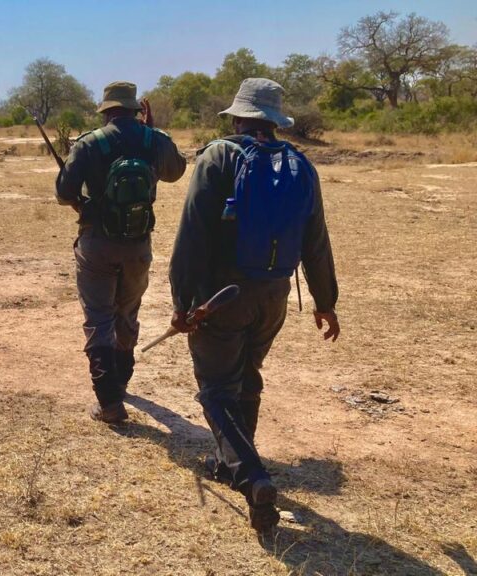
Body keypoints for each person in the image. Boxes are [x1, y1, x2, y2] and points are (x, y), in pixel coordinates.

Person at [168, 78, 340, 532]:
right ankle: (230, 464)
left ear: (238, 117)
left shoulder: (218, 156)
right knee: (247, 378)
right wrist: (326, 301)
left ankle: (253, 477)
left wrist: (183, 302)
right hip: (275, 297)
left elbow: (192, 237)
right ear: (275, 120)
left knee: (216, 391)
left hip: (222, 298)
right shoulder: (300, 164)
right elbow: (316, 241)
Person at [56, 81, 186, 424]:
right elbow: (176, 172)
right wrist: (153, 130)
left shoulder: (89, 143)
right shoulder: (153, 139)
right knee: (127, 313)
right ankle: (121, 382)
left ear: (106, 110)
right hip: (138, 244)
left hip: (96, 243)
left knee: (98, 318)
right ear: (136, 110)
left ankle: (110, 402)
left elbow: (64, 193)